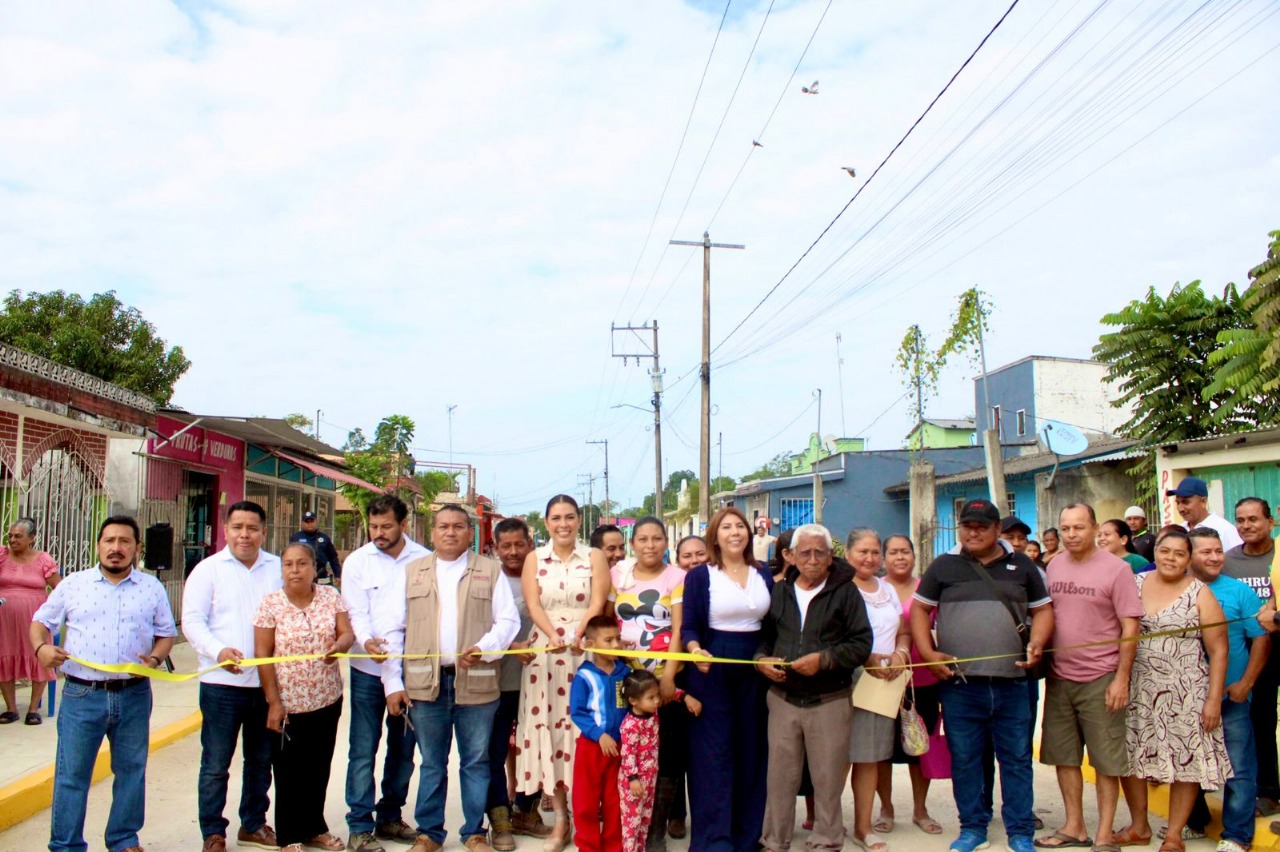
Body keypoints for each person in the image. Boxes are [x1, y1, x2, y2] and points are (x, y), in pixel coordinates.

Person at [373, 504, 521, 852]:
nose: (450, 532)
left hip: (478, 684)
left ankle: (473, 832)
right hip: (426, 685)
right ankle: (430, 833)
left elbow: (508, 622)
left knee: (475, 761)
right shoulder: (412, 572)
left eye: (458, 526)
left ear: (471, 533)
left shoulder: (490, 571)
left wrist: (483, 648)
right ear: (432, 532)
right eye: (443, 526)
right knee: (432, 764)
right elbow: (392, 630)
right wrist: (392, 683)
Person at [911, 498, 1052, 852]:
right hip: (960, 685)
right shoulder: (944, 566)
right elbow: (919, 611)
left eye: (981, 527)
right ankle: (973, 827)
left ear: (995, 530)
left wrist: (1037, 641)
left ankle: (1020, 831)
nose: (973, 532)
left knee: (1016, 759)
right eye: (967, 526)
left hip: (1013, 682)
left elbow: (1044, 611)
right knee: (967, 757)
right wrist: (928, 654)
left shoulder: (1021, 564)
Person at [30, 515, 176, 852]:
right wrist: (42, 648)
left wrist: (153, 661)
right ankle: (66, 845)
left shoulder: (151, 588)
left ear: (138, 549)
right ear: (98, 545)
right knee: (72, 776)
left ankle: (124, 840)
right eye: (109, 541)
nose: (116, 548)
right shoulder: (73, 585)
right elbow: (40, 622)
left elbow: (166, 634)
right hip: (83, 695)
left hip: (134, 695)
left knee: (131, 772)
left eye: (125, 542)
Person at [755, 523, 872, 852]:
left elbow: (861, 644)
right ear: (790, 556)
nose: (813, 559)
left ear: (831, 558)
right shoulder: (780, 590)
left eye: (820, 552)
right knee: (779, 779)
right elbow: (764, 635)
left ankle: (827, 840)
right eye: (804, 552)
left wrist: (824, 659)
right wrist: (761, 659)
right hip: (783, 699)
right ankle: (775, 841)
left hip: (829, 699)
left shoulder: (846, 592)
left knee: (828, 778)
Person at [1035, 504, 1142, 851]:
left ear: (1095, 527)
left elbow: (1130, 625)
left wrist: (1121, 678)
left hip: (1102, 677)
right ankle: (1074, 826)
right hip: (1059, 677)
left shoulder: (1117, 569)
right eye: (1065, 528)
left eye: (1079, 527)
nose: (1071, 535)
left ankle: (1104, 834)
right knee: (1064, 757)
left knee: (1106, 760)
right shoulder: (1053, 566)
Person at [1121, 527, 1231, 852]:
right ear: (1155, 553)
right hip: (1138, 687)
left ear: (1189, 559)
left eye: (1179, 553)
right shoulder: (1134, 584)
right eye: (1165, 551)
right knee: (1132, 757)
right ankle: (1139, 826)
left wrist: (1213, 700)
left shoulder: (1199, 593)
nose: (1171, 558)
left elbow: (1220, 650)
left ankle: (1173, 836)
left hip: (1187, 692)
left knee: (1187, 763)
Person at [182, 500, 283, 852]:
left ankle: (253, 824)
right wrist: (217, 651)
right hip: (221, 686)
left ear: (263, 532)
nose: (245, 534)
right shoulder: (207, 570)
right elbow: (192, 621)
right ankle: (213, 832)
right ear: (226, 530)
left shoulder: (278, 569)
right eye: (237, 527)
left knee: (261, 760)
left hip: (267, 686)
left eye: (252, 528)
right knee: (215, 764)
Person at [516, 494, 610, 852]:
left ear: (579, 519)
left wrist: (579, 632)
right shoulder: (534, 558)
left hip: (583, 650)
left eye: (569, 517)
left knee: (581, 729)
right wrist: (553, 634)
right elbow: (533, 603)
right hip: (546, 652)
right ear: (546, 522)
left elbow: (598, 600)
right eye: (556, 518)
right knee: (552, 735)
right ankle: (561, 819)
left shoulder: (594, 557)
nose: (563, 524)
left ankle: (587, 813)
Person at [681, 506, 773, 852]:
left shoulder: (763, 573)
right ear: (715, 536)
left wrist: (765, 657)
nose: (734, 532)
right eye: (726, 527)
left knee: (751, 751)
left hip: (754, 667)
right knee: (712, 755)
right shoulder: (701, 576)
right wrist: (694, 649)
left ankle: (747, 836)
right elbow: (689, 625)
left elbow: (771, 625)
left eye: (740, 526)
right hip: (711, 666)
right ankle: (714, 839)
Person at [341, 494, 429, 852]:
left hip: (411, 671)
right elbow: (355, 612)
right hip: (366, 668)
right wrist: (366, 641)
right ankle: (359, 826)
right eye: (373, 526)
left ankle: (390, 817)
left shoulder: (424, 560)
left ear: (403, 524)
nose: (378, 533)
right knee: (363, 749)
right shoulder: (358, 563)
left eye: (386, 526)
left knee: (403, 748)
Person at [254, 542, 354, 852]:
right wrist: (274, 702)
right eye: (288, 564)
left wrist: (340, 646)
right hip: (288, 704)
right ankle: (289, 835)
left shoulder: (330, 597)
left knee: (318, 766)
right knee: (288, 771)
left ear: (314, 568)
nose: (295, 570)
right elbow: (262, 654)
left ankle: (315, 828)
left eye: (302, 564)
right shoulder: (271, 604)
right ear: (281, 569)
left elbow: (347, 633)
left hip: (326, 699)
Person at [1178, 526, 1267, 852]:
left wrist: (1246, 683)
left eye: (1218, 550)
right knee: (1185, 766)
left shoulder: (1239, 592)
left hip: (1231, 698)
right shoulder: (1176, 590)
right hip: (1185, 699)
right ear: (1190, 555)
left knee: (1240, 769)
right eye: (1206, 552)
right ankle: (1193, 821)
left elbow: (1260, 638)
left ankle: (1237, 836)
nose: (1216, 557)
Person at [609, 516, 694, 852]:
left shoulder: (677, 577)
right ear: (632, 544)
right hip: (625, 679)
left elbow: (677, 630)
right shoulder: (619, 575)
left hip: (662, 681)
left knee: (666, 757)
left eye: (657, 538)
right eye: (642, 539)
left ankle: (656, 832)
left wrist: (670, 675)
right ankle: (631, 829)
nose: (650, 545)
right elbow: (607, 620)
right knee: (629, 754)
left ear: (666, 543)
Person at [844, 528, 912, 852]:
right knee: (838, 758)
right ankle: (828, 823)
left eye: (874, 552)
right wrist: (865, 656)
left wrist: (900, 653)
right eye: (863, 552)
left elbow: (903, 631)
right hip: (848, 680)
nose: (870, 558)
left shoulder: (886, 589)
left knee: (870, 757)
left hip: (882, 682)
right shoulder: (840, 589)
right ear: (847, 554)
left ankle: (863, 827)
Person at [486, 517, 549, 850]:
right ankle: (500, 819)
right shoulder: (487, 581)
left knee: (536, 749)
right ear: (496, 548)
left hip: (540, 682)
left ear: (530, 544)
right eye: (505, 546)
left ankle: (527, 809)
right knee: (494, 752)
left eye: (518, 545)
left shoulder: (543, 579)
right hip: (497, 684)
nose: (512, 552)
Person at [877, 534, 944, 836]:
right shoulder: (875, 590)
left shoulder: (927, 591)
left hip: (924, 680)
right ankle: (886, 809)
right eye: (893, 552)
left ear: (914, 556)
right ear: (883, 558)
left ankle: (921, 809)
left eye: (905, 551)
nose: (900, 557)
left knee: (920, 747)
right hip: (881, 680)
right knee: (881, 751)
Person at [1223, 497, 1280, 816]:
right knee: (1260, 720)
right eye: (1241, 520)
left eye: (1254, 519)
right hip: (1256, 650)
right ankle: (1268, 790)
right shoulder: (1229, 562)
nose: (1247, 526)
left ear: (1269, 522)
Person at [567, 615, 630, 852]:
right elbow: (578, 712)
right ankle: (588, 846)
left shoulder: (625, 672)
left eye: (618, 639)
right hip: (592, 748)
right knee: (585, 802)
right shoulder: (584, 676)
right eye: (609, 640)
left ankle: (615, 846)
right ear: (591, 645)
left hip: (619, 747)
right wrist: (598, 734)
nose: (616, 645)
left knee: (616, 801)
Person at [666, 533, 708, 840]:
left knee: (706, 750)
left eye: (699, 554)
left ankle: (708, 814)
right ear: (677, 560)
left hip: (713, 673)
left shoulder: (718, 583)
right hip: (681, 673)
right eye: (686, 556)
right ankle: (676, 814)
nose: (693, 561)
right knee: (675, 747)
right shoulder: (674, 586)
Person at [0, 518, 60, 725]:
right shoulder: (2, 556)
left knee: (38, 658)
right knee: (4, 657)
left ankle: (33, 709)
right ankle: (11, 709)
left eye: (18, 536)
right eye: (10, 536)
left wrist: (51, 617)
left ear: (32, 538)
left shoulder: (43, 560)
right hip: (4, 620)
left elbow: (59, 589)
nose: (12, 540)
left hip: (35, 621)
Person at [620, 670, 663, 852]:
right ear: (633, 701)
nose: (656, 701)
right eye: (651, 697)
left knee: (645, 821)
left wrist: (684, 696)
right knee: (632, 825)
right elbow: (627, 754)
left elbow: (673, 692)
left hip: (650, 779)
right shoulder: (630, 726)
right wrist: (633, 779)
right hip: (634, 784)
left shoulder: (652, 714)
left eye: (657, 696)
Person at [1168, 476, 1244, 550]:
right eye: (1178, 503)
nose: (1180, 508)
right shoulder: (1179, 530)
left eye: (1186, 502)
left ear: (1203, 502)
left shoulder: (1225, 530)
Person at [290, 510, 343, 585]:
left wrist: (337, 574)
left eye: (312, 521)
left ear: (316, 522)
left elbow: (333, 557)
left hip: (321, 577)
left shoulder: (324, 538)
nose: (309, 524)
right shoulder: (296, 538)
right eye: (307, 522)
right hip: (302, 576)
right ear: (302, 523)